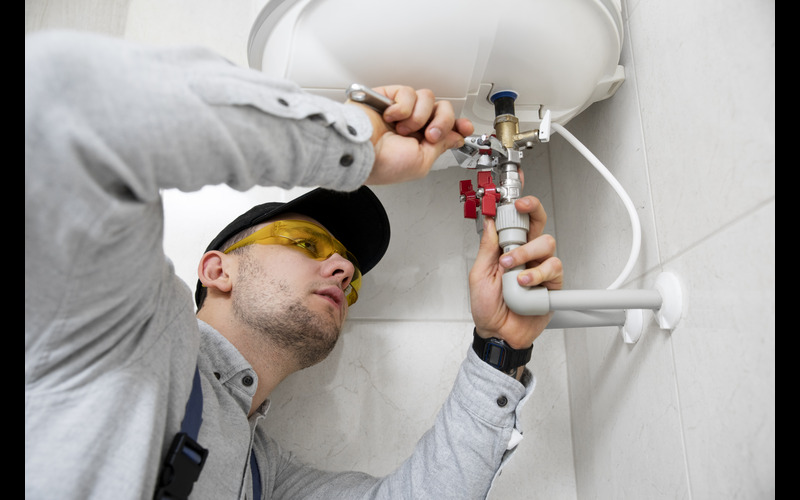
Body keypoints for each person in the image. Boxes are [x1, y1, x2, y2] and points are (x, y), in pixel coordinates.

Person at [25, 29, 563, 500]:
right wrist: (350, 142)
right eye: (306, 242)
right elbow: (58, 99)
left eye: (351, 274)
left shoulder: (262, 475)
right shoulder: (122, 332)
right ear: (218, 271)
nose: (344, 271)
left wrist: (500, 348)